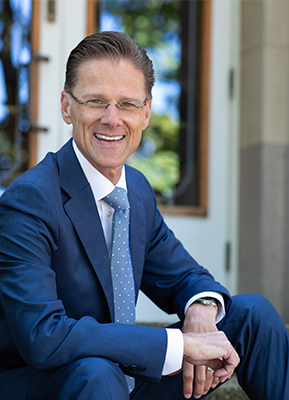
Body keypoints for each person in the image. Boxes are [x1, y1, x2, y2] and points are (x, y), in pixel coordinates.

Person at [0, 31, 288, 400]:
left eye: (128, 105)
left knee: (253, 314)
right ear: (66, 106)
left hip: (127, 380)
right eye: (96, 101)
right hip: (54, 384)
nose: (112, 119)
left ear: (147, 112)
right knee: (96, 371)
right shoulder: (30, 200)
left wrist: (200, 308)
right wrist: (178, 345)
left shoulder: (134, 190)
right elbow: (43, 337)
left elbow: (184, 275)